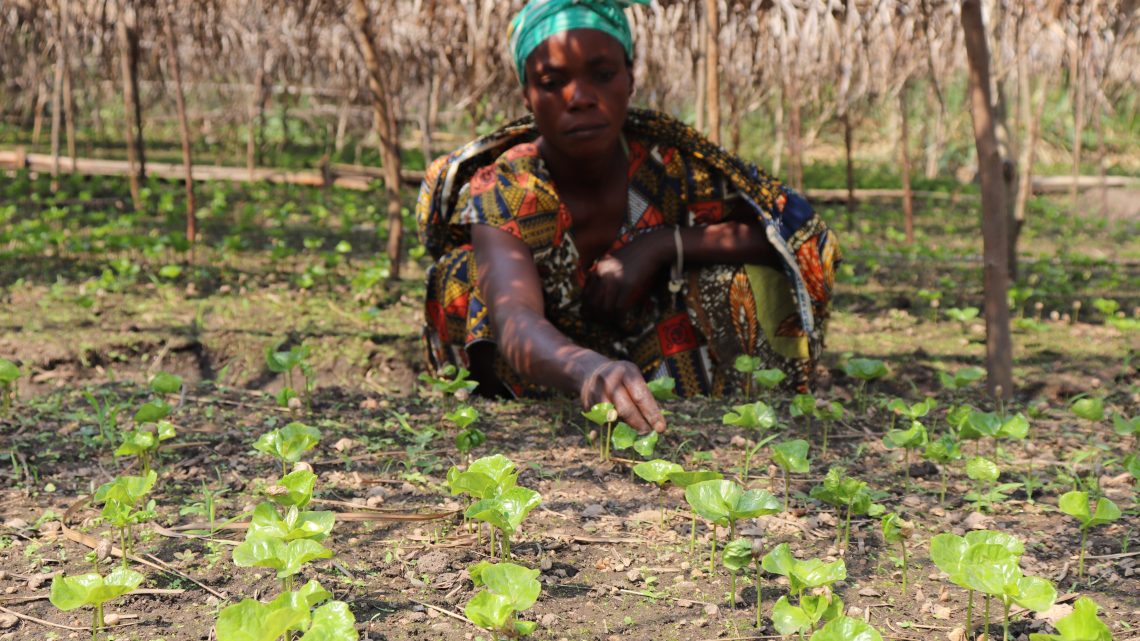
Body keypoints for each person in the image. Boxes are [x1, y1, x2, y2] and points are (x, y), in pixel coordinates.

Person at [415, 0, 838, 434]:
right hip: (537, 367)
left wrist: (661, 244)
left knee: (743, 278)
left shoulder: (669, 166)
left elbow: (793, 238)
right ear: (527, 96)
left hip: (651, 352)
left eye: (602, 75)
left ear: (630, 78)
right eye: (552, 82)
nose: (579, 98)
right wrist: (585, 369)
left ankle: (743, 405)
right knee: (464, 275)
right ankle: (493, 405)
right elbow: (514, 317)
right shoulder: (512, 184)